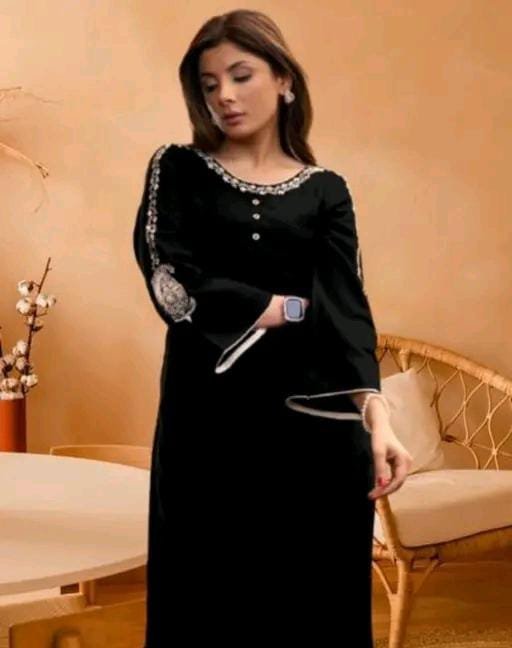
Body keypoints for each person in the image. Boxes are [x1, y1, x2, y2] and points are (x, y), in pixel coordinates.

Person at [133, 9, 412, 647]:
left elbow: (346, 311)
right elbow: (170, 275)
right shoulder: (177, 168)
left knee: (314, 603)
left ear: (284, 80)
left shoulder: (327, 191)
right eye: (209, 84)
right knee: (205, 599)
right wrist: (284, 308)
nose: (224, 96)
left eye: (241, 76)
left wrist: (379, 418)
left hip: (311, 431)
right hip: (207, 425)